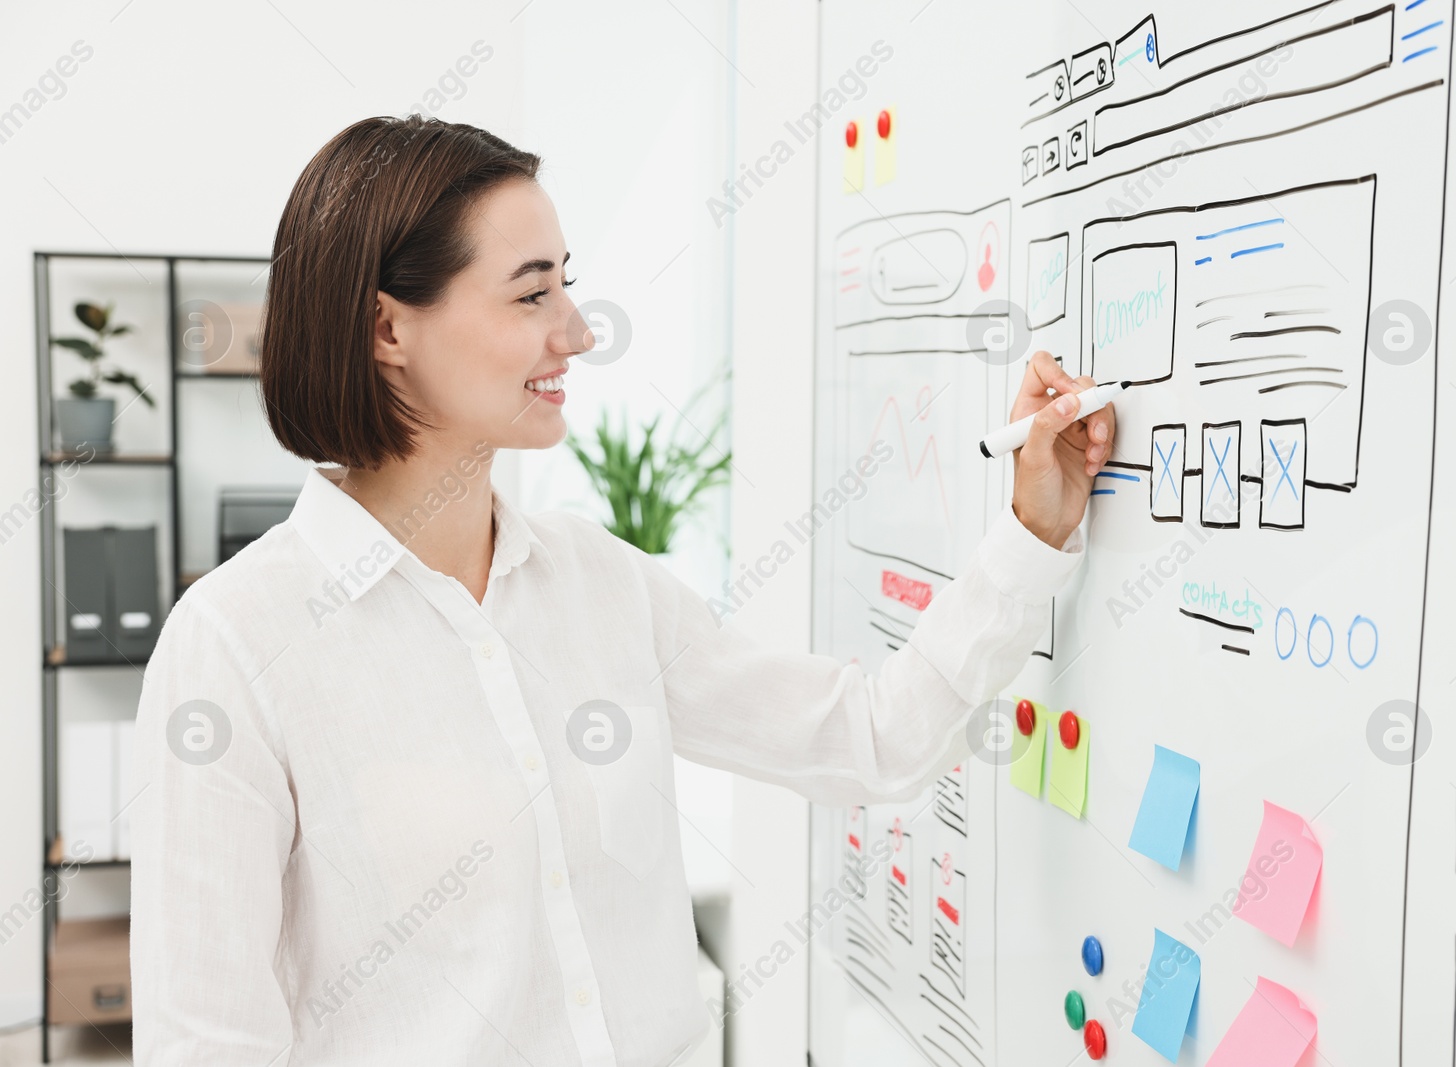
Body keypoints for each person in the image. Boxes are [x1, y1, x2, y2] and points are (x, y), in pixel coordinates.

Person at [130, 114, 1116, 1066]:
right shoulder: (235, 643)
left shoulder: (599, 583)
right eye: (529, 297)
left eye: (569, 286)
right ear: (388, 327)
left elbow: (868, 737)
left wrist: (1031, 529)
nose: (578, 331)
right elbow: (209, 1042)